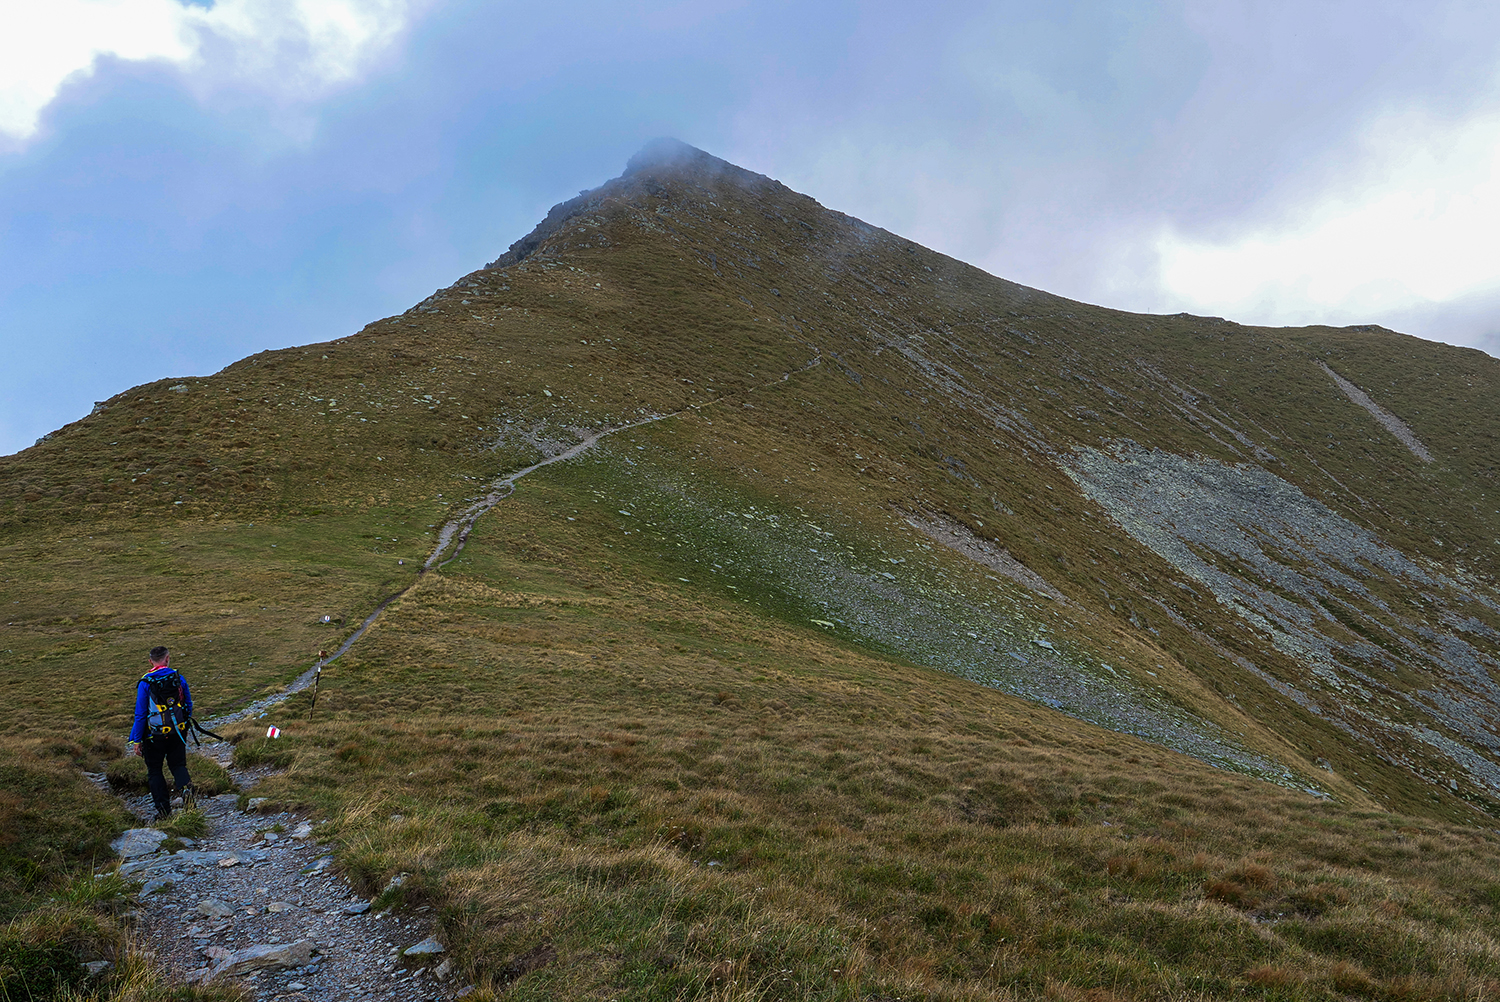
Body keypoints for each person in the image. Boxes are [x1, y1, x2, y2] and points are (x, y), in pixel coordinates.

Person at [130, 646, 195, 821]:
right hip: (177, 732)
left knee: (155, 771)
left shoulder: (145, 683)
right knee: (178, 765)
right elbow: (188, 704)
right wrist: (184, 727)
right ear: (167, 659)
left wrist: (137, 741)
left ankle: (164, 812)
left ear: (150, 661)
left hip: (154, 736)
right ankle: (187, 795)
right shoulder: (178, 678)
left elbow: (140, 714)